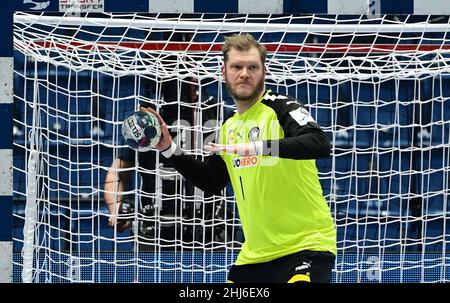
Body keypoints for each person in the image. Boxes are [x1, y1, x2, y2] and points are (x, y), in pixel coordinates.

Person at [142, 33, 337, 283]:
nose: (244, 73)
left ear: (264, 71)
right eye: (237, 67)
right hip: (254, 257)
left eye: (252, 67)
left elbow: (319, 143)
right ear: (224, 72)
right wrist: (169, 149)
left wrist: (260, 147)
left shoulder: (280, 107)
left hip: (305, 246)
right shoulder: (228, 127)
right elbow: (212, 182)